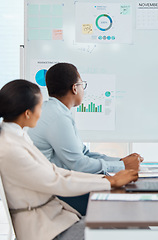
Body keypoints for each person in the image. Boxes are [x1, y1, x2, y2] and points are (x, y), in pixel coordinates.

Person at [0, 79, 138, 240]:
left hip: (55, 218)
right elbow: (56, 181)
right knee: (129, 230)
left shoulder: (17, 136)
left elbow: (56, 172)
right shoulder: (10, 148)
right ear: (27, 113)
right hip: (47, 229)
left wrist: (107, 179)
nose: (41, 112)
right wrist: (109, 182)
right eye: (39, 107)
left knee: (130, 224)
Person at [27, 62, 143, 215]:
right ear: (75, 88)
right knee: (122, 206)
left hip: (60, 184)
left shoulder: (57, 111)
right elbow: (79, 165)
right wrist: (121, 166)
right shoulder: (58, 117)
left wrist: (120, 161)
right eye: (82, 84)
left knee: (123, 200)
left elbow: (84, 153)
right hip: (55, 193)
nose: (83, 89)